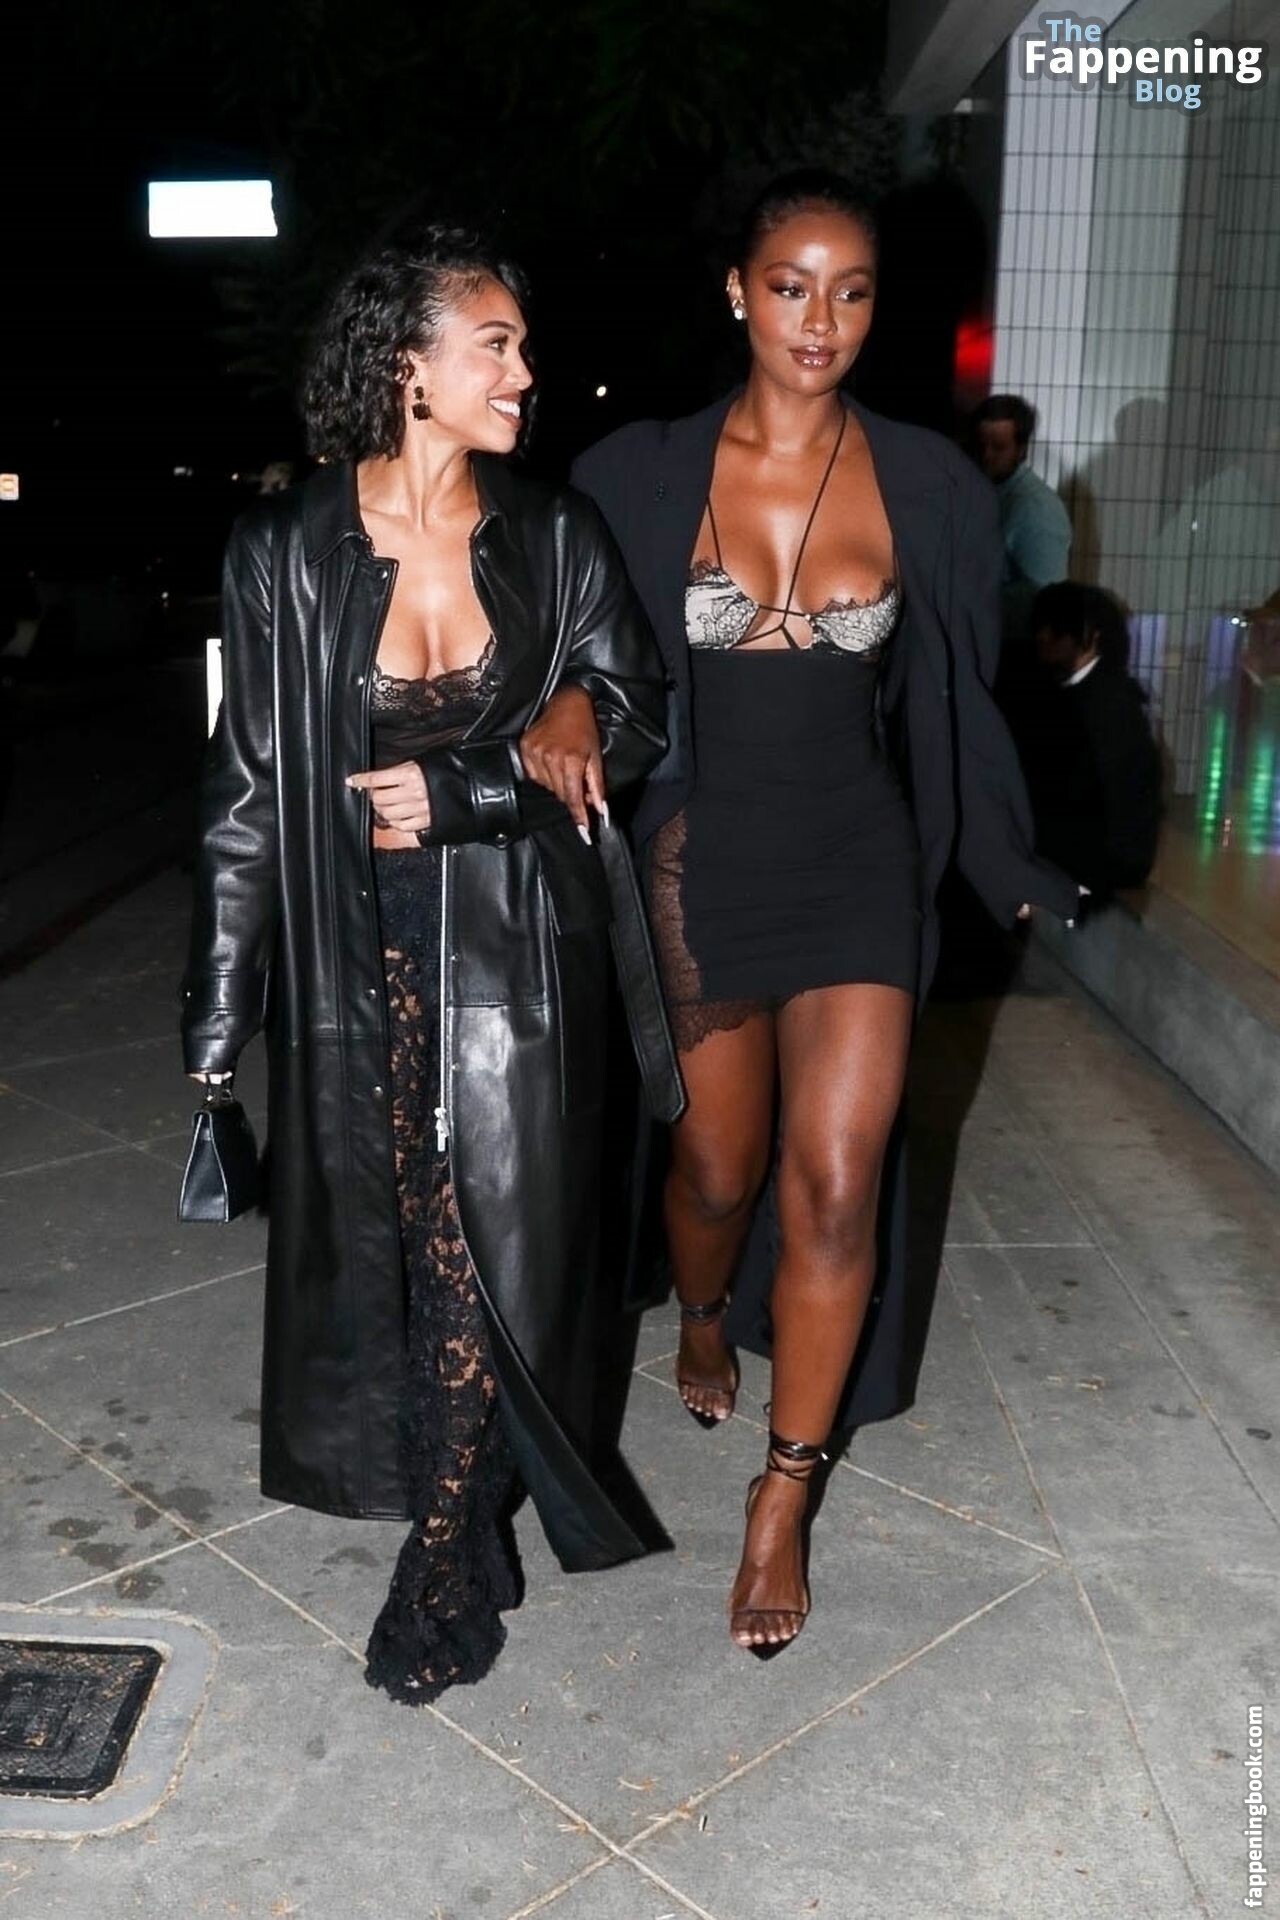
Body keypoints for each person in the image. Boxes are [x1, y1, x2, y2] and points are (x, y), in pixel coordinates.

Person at [573, 170, 1079, 1656]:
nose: (820, 319)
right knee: (716, 1173)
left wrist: (1006, 856)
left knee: (839, 1183)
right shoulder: (638, 470)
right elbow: (571, 639)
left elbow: (957, 690)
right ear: (738, 291)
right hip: (699, 858)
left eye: (850, 291)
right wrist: (558, 707)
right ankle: (704, 1312)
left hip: (859, 856)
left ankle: (782, 1492)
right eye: (790, 285)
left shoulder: (929, 483)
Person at [181, 225, 682, 1706]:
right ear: (408, 364)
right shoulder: (282, 550)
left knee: (483, 1257)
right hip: (358, 962)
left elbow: (633, 713)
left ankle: (446, 1559)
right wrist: (218, 1020)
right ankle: (467, 1507)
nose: (524, 373)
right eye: (496, 345)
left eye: (521, 347)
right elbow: (247, 796)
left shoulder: (556, 533)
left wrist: (500, 770)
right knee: (406, 1253)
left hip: (523, 963)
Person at [1018, 580, 1162, 897]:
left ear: (1092, 636)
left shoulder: (1105, 702)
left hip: (1102, 859)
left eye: (1057, 627)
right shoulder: (1092, 691)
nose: (1044, 635)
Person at [972, 394, 1072, 644]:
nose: (987, 455)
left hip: (1014, 647)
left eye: (998, 447)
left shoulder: (1035, 507)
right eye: (981, 445)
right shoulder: (982, 491)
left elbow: (1045, 594)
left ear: (1022, 450)